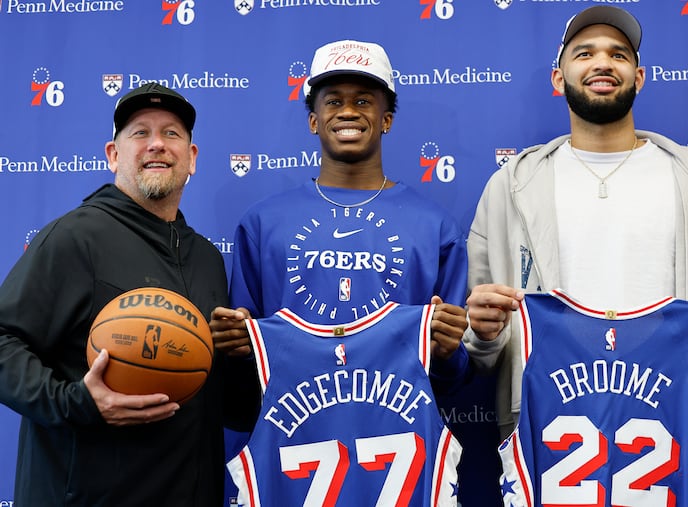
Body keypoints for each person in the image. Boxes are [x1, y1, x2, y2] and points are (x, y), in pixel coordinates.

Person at [462, 5, 688, 504]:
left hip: (674, 444)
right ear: (559, 78)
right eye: (585, 54)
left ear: (638, 76)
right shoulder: (510, 187)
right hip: (552, 445)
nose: (603, 64)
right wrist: (483, 333)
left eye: (618, 54)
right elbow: (482, 341)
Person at [0, 83, 254, 506]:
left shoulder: (208, 259)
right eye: (140, 132)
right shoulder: (75, 237)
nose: (157, 144)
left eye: (172, 133)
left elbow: (228, 407)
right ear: (113, 155)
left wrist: (241, 356)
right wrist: (75, 402)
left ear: (191, 159)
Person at [212, 39, 469, 390]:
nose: (348, 111)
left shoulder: (435, 227)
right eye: (334, 101)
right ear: (314, 121)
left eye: (363, 100)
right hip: (295, 424)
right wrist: (235, 345)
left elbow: (454, 369)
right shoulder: (263, 222)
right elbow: (242, 359)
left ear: (386, 120)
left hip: (397, 428)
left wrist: (448, 349)